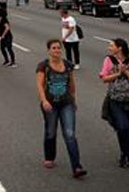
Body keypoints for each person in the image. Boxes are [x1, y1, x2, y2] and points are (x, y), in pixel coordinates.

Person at [36, 39, 86, 178]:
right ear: (49, 50)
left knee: (70, 134)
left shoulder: (68, 65)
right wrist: (44, 101)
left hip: (66, 103)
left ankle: (77, 167)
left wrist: (74, 100)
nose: (57, 50)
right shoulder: (43, 66)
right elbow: (40, 85)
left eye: (59, 48)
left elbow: (72, 84)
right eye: (54, 48)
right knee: (51, 131)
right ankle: (49, 156)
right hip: (50, 104)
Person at [99, 38, 129, 168]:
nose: (109, 48)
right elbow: (104, 78)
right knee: (122, 127)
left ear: (120, 48)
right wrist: (118, 73)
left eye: (111, 46)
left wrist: (126, 72)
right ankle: (124, 153)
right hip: (115, 100)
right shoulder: (108, 60)